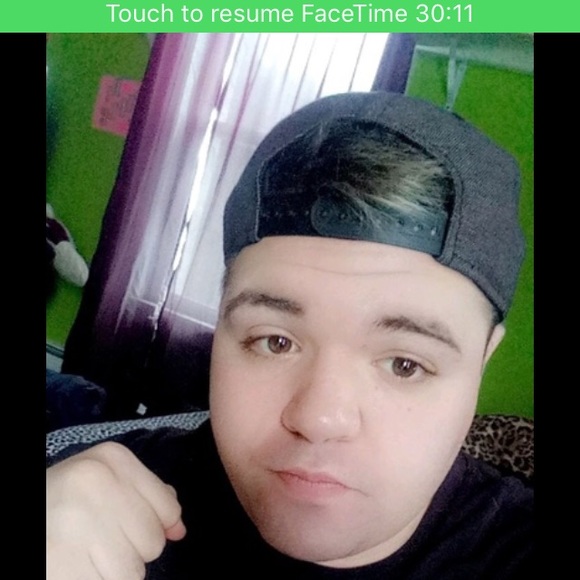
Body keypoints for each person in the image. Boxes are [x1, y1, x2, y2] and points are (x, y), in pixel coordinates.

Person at [46, 91, 533, 579]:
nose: (317, 419)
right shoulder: (75, 508)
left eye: (405, 364)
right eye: (275, 342)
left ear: (482, 360)